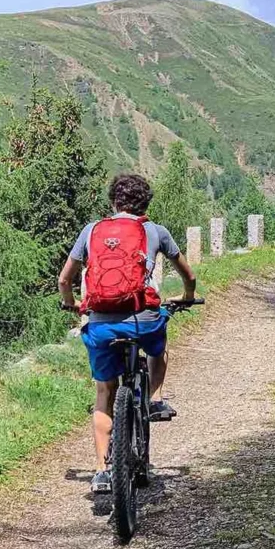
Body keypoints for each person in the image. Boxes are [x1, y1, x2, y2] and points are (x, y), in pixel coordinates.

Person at [57, 173, 197, 494]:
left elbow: (65, 280)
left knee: (104, 393)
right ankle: (155, 399)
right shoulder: (156, 231)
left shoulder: (91, 231)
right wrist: (187, 297)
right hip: (143, 320)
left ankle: (102, 472)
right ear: (146, 203)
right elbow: (188, 275)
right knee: (158, 345)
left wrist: (72, 304)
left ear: (112, 203)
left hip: (102, 323)